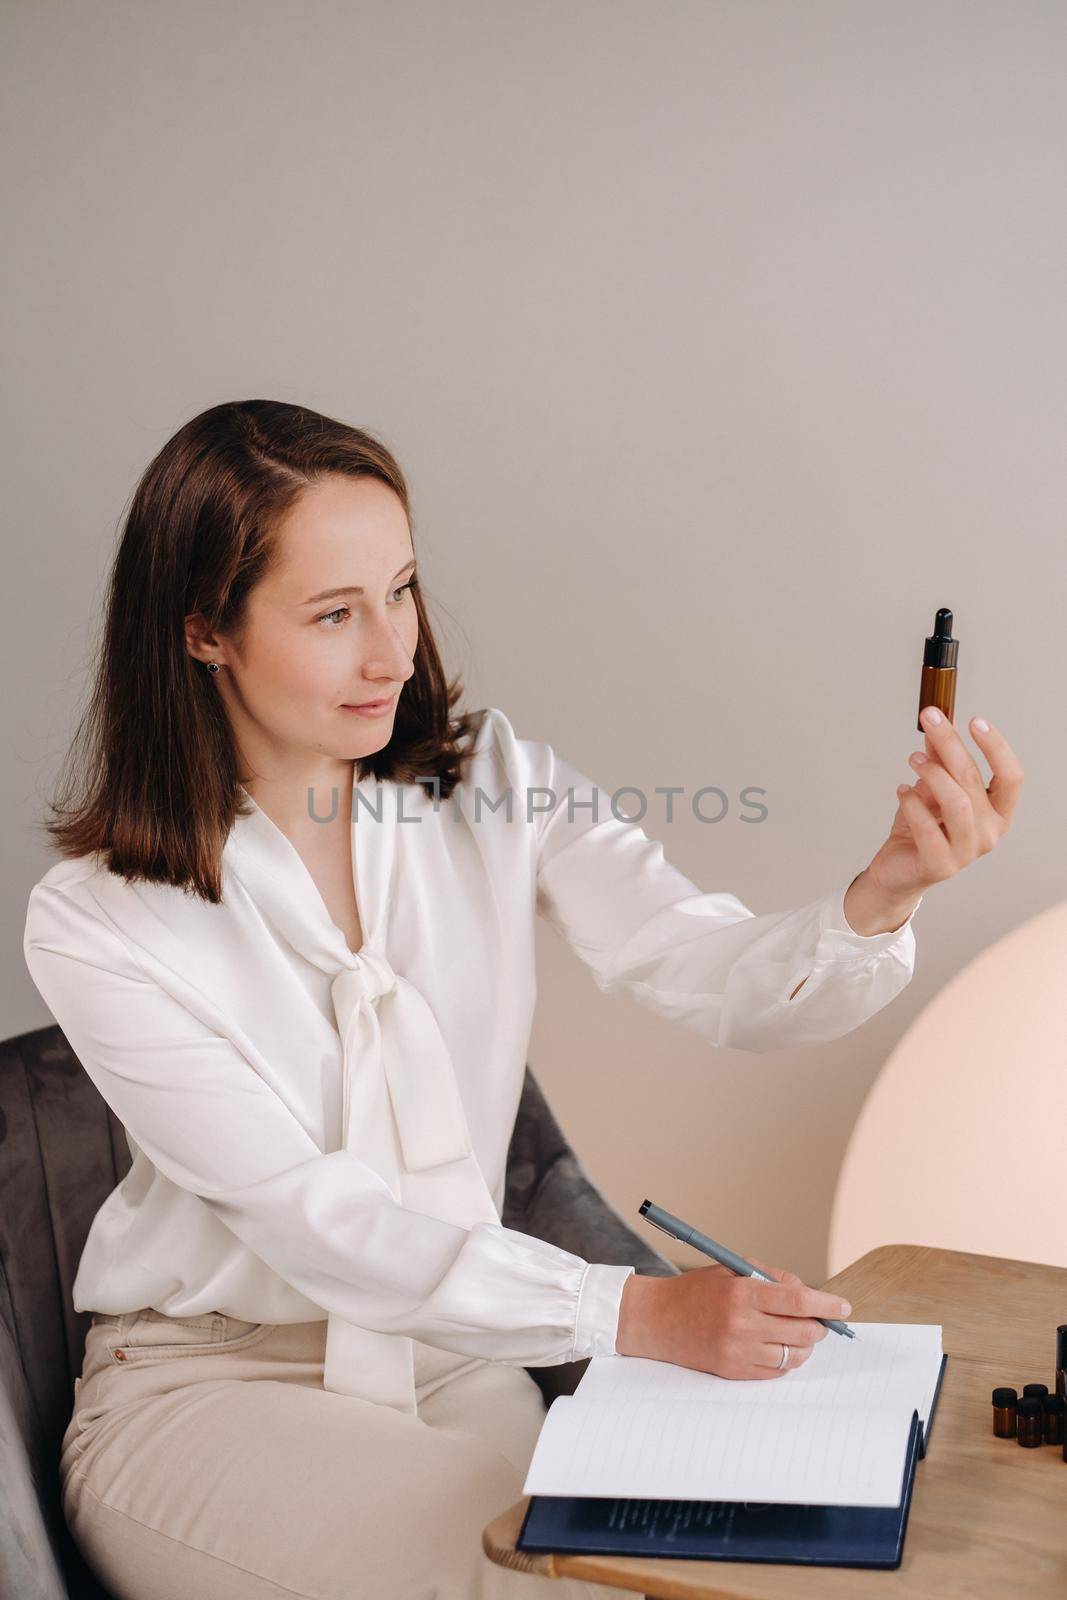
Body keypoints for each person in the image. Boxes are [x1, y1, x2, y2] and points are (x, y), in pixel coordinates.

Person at [23, 400, 1022, 1600]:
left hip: (452, 1357)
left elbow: (699, 966)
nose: (392, 651)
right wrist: (637, 1313)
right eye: (334, 614)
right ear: (202, 630)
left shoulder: (486, 782)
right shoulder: (97, 917)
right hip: (211, 1388)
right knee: (529, 1579)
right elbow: (310, 1218)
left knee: (670, 1569)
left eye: (399, 589)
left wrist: (881, 894)